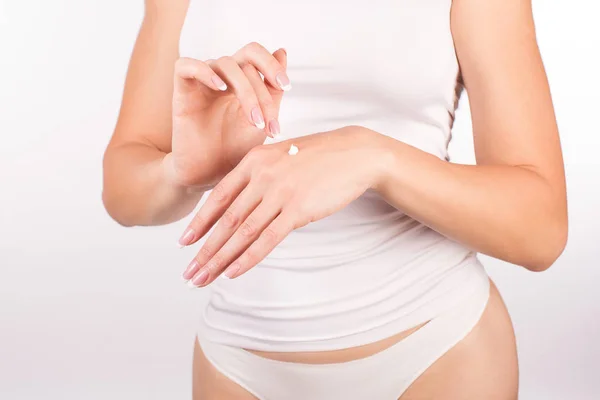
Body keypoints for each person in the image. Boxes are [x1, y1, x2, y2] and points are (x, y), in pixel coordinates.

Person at [102, 0, 568, 398]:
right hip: (239, 364)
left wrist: (373, 157)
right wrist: (180, 172)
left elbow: (540, 228)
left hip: (436, 349)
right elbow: (123, 193)